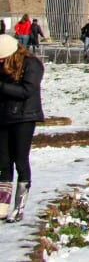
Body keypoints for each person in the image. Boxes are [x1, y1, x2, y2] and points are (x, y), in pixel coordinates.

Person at [0, 34, 43, 222]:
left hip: (24, 117)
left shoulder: (32, 65)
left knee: (20, 160)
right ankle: (2, 206)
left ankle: (19, 206)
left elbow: (27, 91)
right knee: (2, 162)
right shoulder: (2, 66)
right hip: (3, 117)